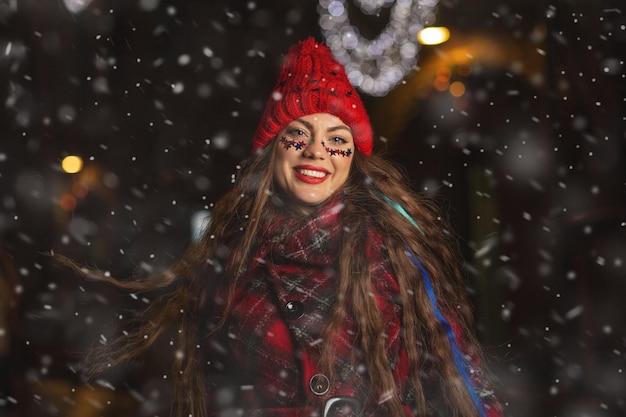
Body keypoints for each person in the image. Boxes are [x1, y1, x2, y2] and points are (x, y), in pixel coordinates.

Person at [60, 38, 503, 417]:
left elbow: (457, 379)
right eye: (298, 134)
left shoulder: (396, 257)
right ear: (273, 150)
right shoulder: (229, 265)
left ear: (353, 157)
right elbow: (211, 391)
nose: (317, 151)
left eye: (337, 139)